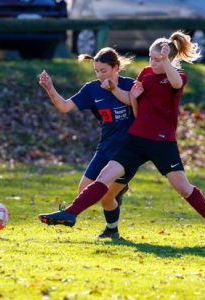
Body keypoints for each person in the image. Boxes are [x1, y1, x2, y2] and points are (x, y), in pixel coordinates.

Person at [38, 31, 205, 244]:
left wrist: (165, 61)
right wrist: (121, 92)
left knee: (184, 189)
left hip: (162, 142)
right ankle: (70, 214)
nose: (152, 63)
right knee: (104, 177)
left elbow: (176, 83)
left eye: (158, 59)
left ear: (170, 59)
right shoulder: (145, 74)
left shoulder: (177, 77)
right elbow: (129, 101)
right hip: (136, 139)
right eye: (150, 57)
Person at [38, 47, 135, 239]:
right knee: (85, 191)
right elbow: (64, 107)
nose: (99, 75)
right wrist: (50, 88)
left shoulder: (131, 85)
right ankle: (112, 231)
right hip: (104, 148)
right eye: (96, 71)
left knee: (105, 195)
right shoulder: (91, 89)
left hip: (127, 151)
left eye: (103, 71)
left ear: (115, 67)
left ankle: (110, 229)